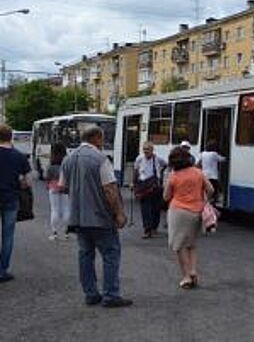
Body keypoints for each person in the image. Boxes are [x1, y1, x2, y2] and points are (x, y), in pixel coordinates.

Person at [60, 126, 132, 307]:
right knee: (111, 254)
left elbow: (62, 187)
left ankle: (90, 293)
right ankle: (111, 294)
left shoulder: (68, 159)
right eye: (102, 138)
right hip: (100, 217)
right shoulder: (101, 159)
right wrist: (119, 214)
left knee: (85, 255)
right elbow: (110, 189)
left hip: (78, 217)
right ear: (97, 138)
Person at [164, 146, 213, 289]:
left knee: (179, 245)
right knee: (191, 244)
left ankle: (186, 277)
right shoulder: (198, 172)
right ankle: (193, 271)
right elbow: (211, 189)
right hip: (196, 212)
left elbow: (166, 196)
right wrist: (203, 201)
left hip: (178, 212)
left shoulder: (174, 175)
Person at [0, 124, 31, 283]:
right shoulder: (19, 156)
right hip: (11, 198)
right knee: (7, 236)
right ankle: (2, 270)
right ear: (11, 137)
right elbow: (28, 183)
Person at [133, 141, 167, 239]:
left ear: (152, 150)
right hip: (143, 186)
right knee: (145, 209)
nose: (146, 151)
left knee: (156, 209)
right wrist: (134, 185)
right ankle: (147, 229)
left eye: (148, 149)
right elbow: (135, 171)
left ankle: (154, 227)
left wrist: (159, 173)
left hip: (155, 187)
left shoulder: (158, 159)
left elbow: (165, 165)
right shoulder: (139, 159)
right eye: (144, 149)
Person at [46, 142, 69, 241]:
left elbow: (48, 177)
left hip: (53, 187)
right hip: (65, 187)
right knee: (66, 209)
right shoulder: (67, 163)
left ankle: (54, 233)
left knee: (54, 210)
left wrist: (48, 184)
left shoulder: (51, 163)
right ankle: (66, 233)